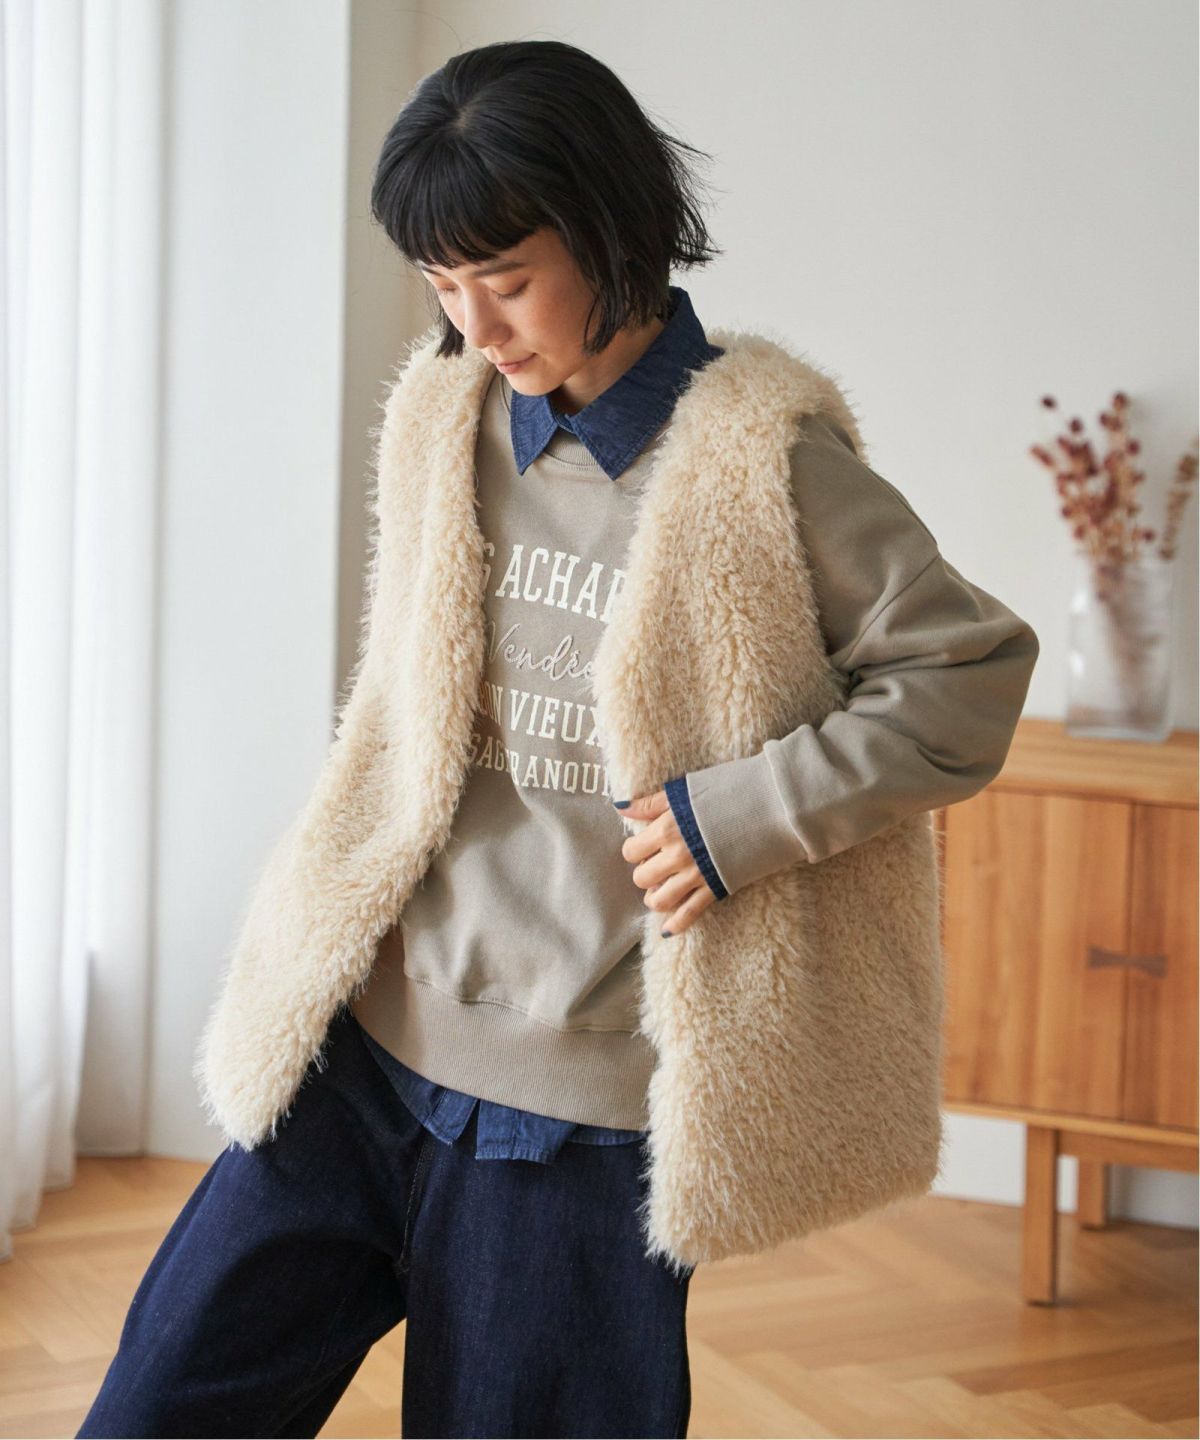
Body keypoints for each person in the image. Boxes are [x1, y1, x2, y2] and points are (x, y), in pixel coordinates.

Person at [78, 38, 1039, 1440]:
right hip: (361, 1041)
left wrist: (739, 819)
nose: (475, 324)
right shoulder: (446, 414)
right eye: (441, 283)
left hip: (581, 1112)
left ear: (607, 226)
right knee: (154, 1409)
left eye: (507, 278)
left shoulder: (762, 465)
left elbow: (970, 668)